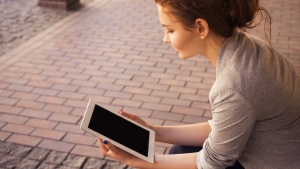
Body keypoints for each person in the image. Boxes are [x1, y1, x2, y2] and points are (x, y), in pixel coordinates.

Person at [98, 0, 300, 168]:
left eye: (170, 30)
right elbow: (222, 126)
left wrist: (137, 160)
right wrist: (152, 131)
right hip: (279, 152)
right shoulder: (244, 47)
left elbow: (212, 163)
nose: (165, 39)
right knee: (179, 150)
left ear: (201, 27)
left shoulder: (234, 84)